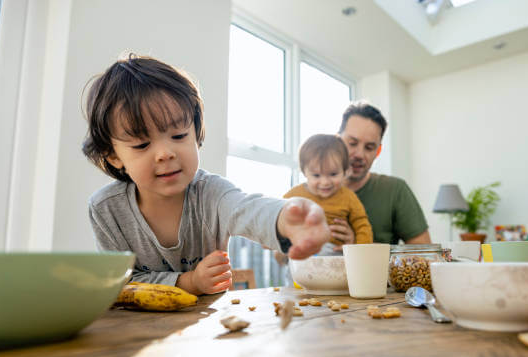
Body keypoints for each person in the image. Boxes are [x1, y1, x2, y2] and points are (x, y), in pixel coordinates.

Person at [82, 54, 330, 295]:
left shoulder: (211, 192)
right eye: (142, 145)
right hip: (137, 327)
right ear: (113, 155)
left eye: (179, 136)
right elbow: (121, 282)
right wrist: (189, 282)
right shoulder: (106, 208)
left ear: (196, 133)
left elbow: (245, 209)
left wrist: (284, 219)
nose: (165, 153)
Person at [331, 101, 431, 246]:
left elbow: (425, 254)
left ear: (378, 151)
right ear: (337, 142)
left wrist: (358, 246)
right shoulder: (309, 192)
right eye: (352, 143)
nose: (359, 154)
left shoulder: (395, 190)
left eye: (369, 147)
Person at [284, 134, 372, 252]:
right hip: (302, 253)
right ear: (304, 172)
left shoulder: (348, 197)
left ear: (345, 171)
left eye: (333, 174)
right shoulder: (294, 195)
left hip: (336, 253)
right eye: (316, 175)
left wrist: (358, 250)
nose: (325, 182)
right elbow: (277, 216)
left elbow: (362, 224)